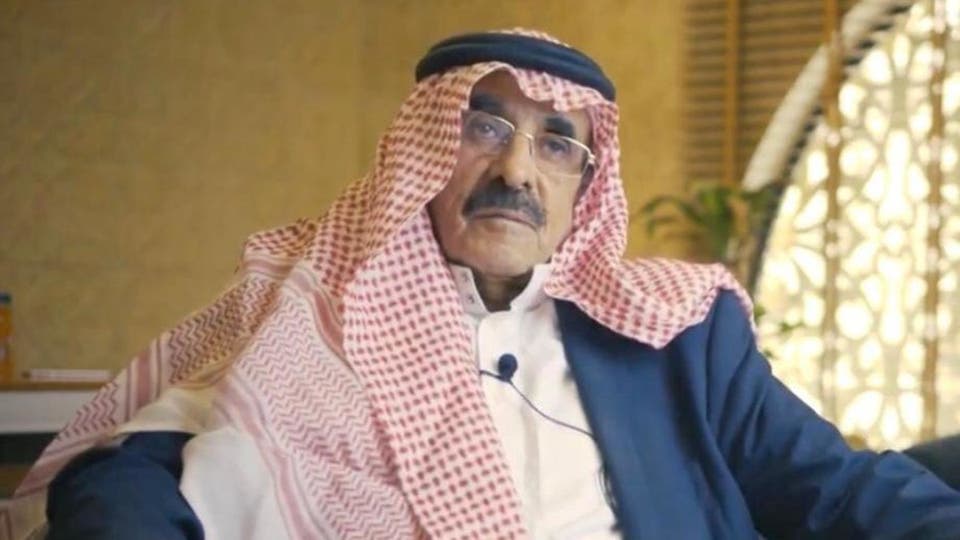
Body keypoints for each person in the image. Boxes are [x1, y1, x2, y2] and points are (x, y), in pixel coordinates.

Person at [3, 28, 960, 540]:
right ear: (421, 151)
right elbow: (123, 469)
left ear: (585, 186)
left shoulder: (677, 333)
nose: (517, 170)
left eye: (557, 144)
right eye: (484, 127)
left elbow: (837, 488)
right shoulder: (315, 304)